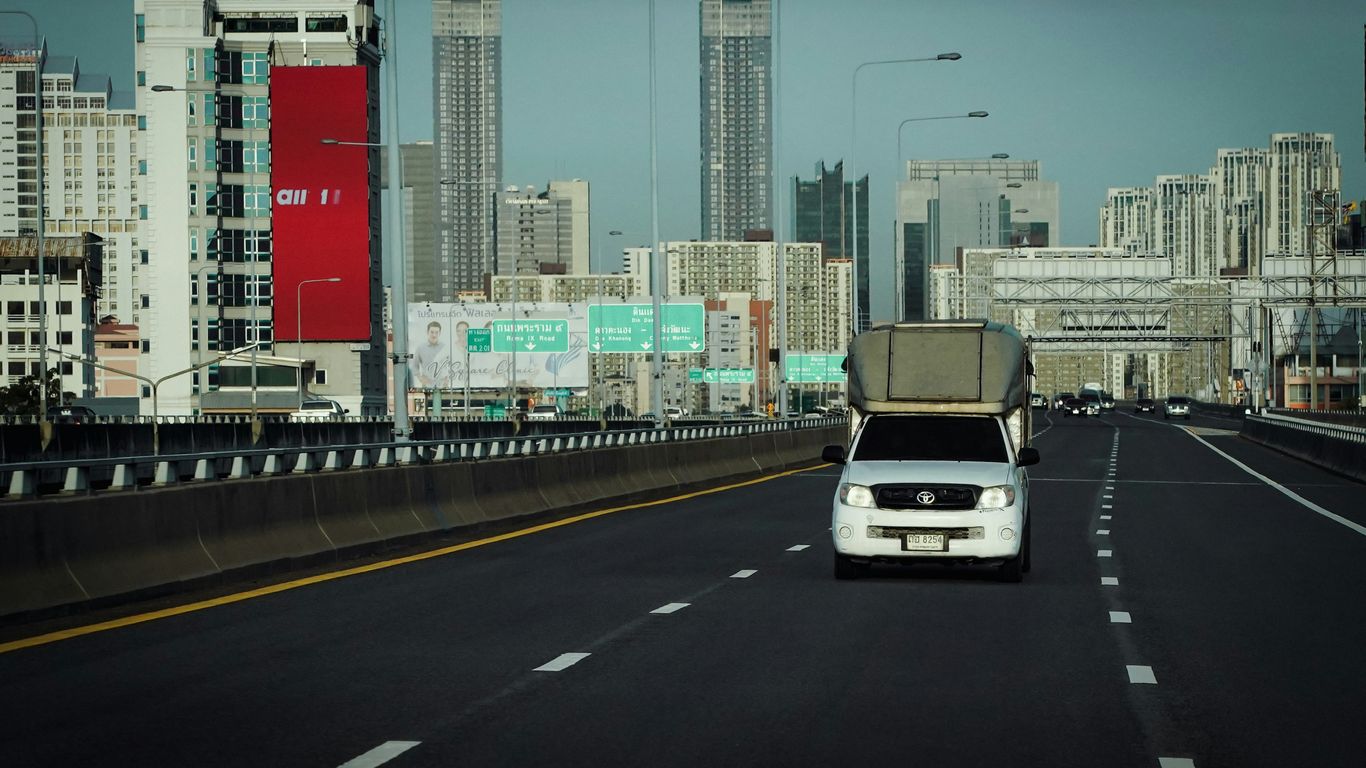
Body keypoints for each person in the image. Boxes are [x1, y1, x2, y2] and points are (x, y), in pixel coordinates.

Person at [411, 320, 448, 388]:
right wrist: (421, 378)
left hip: (443, 386)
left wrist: (447, 379)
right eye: (432, 332)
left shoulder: (445, 348)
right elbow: (414, 366)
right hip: (427, 386)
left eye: (436, 332)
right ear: (427, 332)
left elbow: (451, 365)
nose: (434, 335)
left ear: (440, 333)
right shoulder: (420, 348)